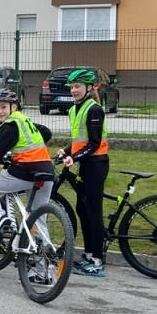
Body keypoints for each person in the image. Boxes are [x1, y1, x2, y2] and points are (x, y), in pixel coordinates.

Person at [0, 90, 53, 246]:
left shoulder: (10, 126)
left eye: (3, 107)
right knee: (38, 215)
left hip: (26, 170)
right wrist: (18, 151)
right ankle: (45, 250)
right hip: (46, 170)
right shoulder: (24, 120)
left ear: (14, 107)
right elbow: (46, 132)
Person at [59, 68, 109, 278]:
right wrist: (66, 151)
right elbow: (80, 140)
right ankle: (89, 255)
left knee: (93, 212)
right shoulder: (74, 109)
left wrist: (75, 157)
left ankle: (97, 261)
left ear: (89, 88)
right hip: (85, 163)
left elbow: (94, 143)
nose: (73, 90)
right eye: (71, 87)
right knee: (83, 209)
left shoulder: (94, 109)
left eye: (77, 86)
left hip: (96, 164)